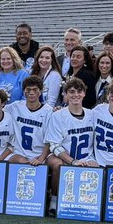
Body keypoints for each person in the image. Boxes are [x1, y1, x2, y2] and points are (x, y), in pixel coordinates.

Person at [46, 77, 99, 207]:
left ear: (84, 93)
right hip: (63, 156)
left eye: (79, 91)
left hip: (85, 156)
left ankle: (88, 204)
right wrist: (72, 161)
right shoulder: (58, 115)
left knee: (97, 168)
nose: (76, 95)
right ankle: (54, 200)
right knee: (58, 165)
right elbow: (53, 145)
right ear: (65, 94)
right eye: (72, 92)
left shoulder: (92, 114)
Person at [5, 77, 54, 165]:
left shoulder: (48, 111)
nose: (31, 93)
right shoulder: (15, 107)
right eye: (28, 90)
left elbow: (49, 141)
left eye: (35, 90)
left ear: (40, 91)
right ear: (23, 91)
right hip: (18, 153)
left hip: (39, 155)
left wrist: (40, 159)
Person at [31, 45, 62, 110]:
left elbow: (51, 101)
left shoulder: (55, 76)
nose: (44, 60)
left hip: (47, 113)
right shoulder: (32, 73)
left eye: (47, 58)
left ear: (52, 60)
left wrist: (41, 113)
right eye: (41, 57)